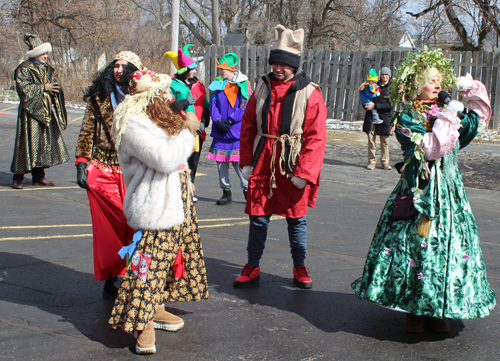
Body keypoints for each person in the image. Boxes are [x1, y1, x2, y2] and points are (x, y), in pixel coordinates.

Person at [352, 48, 496, 333]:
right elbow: (431, 147)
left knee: (447, 249)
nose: (439, 85)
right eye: (431, 80)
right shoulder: (406, 119)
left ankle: (437, 308)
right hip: (418, 195)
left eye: (440, 80)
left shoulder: (446, 115)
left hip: (450, 195)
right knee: (415, 250)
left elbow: (473, 123)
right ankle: (413, 309)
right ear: (414, 86)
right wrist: (448, 116)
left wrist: (470, 92)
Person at [109, 70, 208, 355]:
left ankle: (158, 306)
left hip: (176, 199)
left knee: (168, 261)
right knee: (147, 265)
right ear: (149, 97)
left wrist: (182, 123)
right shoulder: (135, 124)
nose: (170, 97)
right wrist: (187, 130)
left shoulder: (160, 119)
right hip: (153, 205)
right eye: (164, 93)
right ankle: (142, 321)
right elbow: (166, 158)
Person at [236, 24, 327, 289]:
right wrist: (246, 161)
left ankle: (300, 266)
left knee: (296, 219)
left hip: (292, 163)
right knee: (258, 217)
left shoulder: (311, 93)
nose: (278, 68)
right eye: (275, 63)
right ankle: (252, 265)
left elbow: (316, 137)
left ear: (294, 65)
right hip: (264, 158)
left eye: (283, 64)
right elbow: (248, 125)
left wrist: (305, 173)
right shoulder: (262, 87)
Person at [75, 51, 144, 299]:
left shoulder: (142, 96)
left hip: (134, 168)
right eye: (115, 65)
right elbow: (87, 129)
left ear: (134, 70)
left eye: (124, 67)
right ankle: (113, 273)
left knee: (133, 224)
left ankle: (130, 272)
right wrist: (81, 161)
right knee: (112, 225)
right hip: (104, 169)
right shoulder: (100, 96)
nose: (119, 70)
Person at [11, 32, 70, 189]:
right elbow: (23, 89)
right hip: (30, 113)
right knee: (26, 143)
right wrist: (44, 87)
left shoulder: (49, 70)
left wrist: (56, 91)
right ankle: (18, 177)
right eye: (42, 53)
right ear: (35, 53)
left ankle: (39, 176)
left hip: (45, 112)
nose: (45, 56)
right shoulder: (23, 69)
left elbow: (55, 87)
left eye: (46, 53)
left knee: (42, 144)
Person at [164, 45, 210, 201]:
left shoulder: (199, 84)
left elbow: (205, 105)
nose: (195, 71)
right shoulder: (171, 83)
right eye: (192, 68)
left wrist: (204, 122)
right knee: (180, 159)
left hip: (196, 129)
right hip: (180, 127)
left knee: (194, 160)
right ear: (184, 70)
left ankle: (190, 189)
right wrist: (186, 102)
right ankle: (178, 190)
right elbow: (170, 105)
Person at [207, 52, 252, 205]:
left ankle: (247, 190)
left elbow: (244, 105)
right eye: (219, 69)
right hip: (220, 130)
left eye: (223, 69)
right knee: (221, 163)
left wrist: (231, 121)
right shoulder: (217, 83)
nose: (220, 72)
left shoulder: (243, 83)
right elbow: (213, 104)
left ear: (232, 69)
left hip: (236, 131)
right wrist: (218, 121)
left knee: (238, 162)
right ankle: (226, 192)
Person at [363, 67, 394, 170]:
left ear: (389, 75)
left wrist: (375, 106)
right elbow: (365, 97)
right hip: (371, 116)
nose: (384, 76)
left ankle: (385, 162)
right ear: (380, 75)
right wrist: (367, 105)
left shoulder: (391, 88)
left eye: (387, 74)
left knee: (385, 141)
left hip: (385, 117)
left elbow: (390, 106)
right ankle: (372, 162)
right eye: (383, 74)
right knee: (371, 140)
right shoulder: (373, 84)